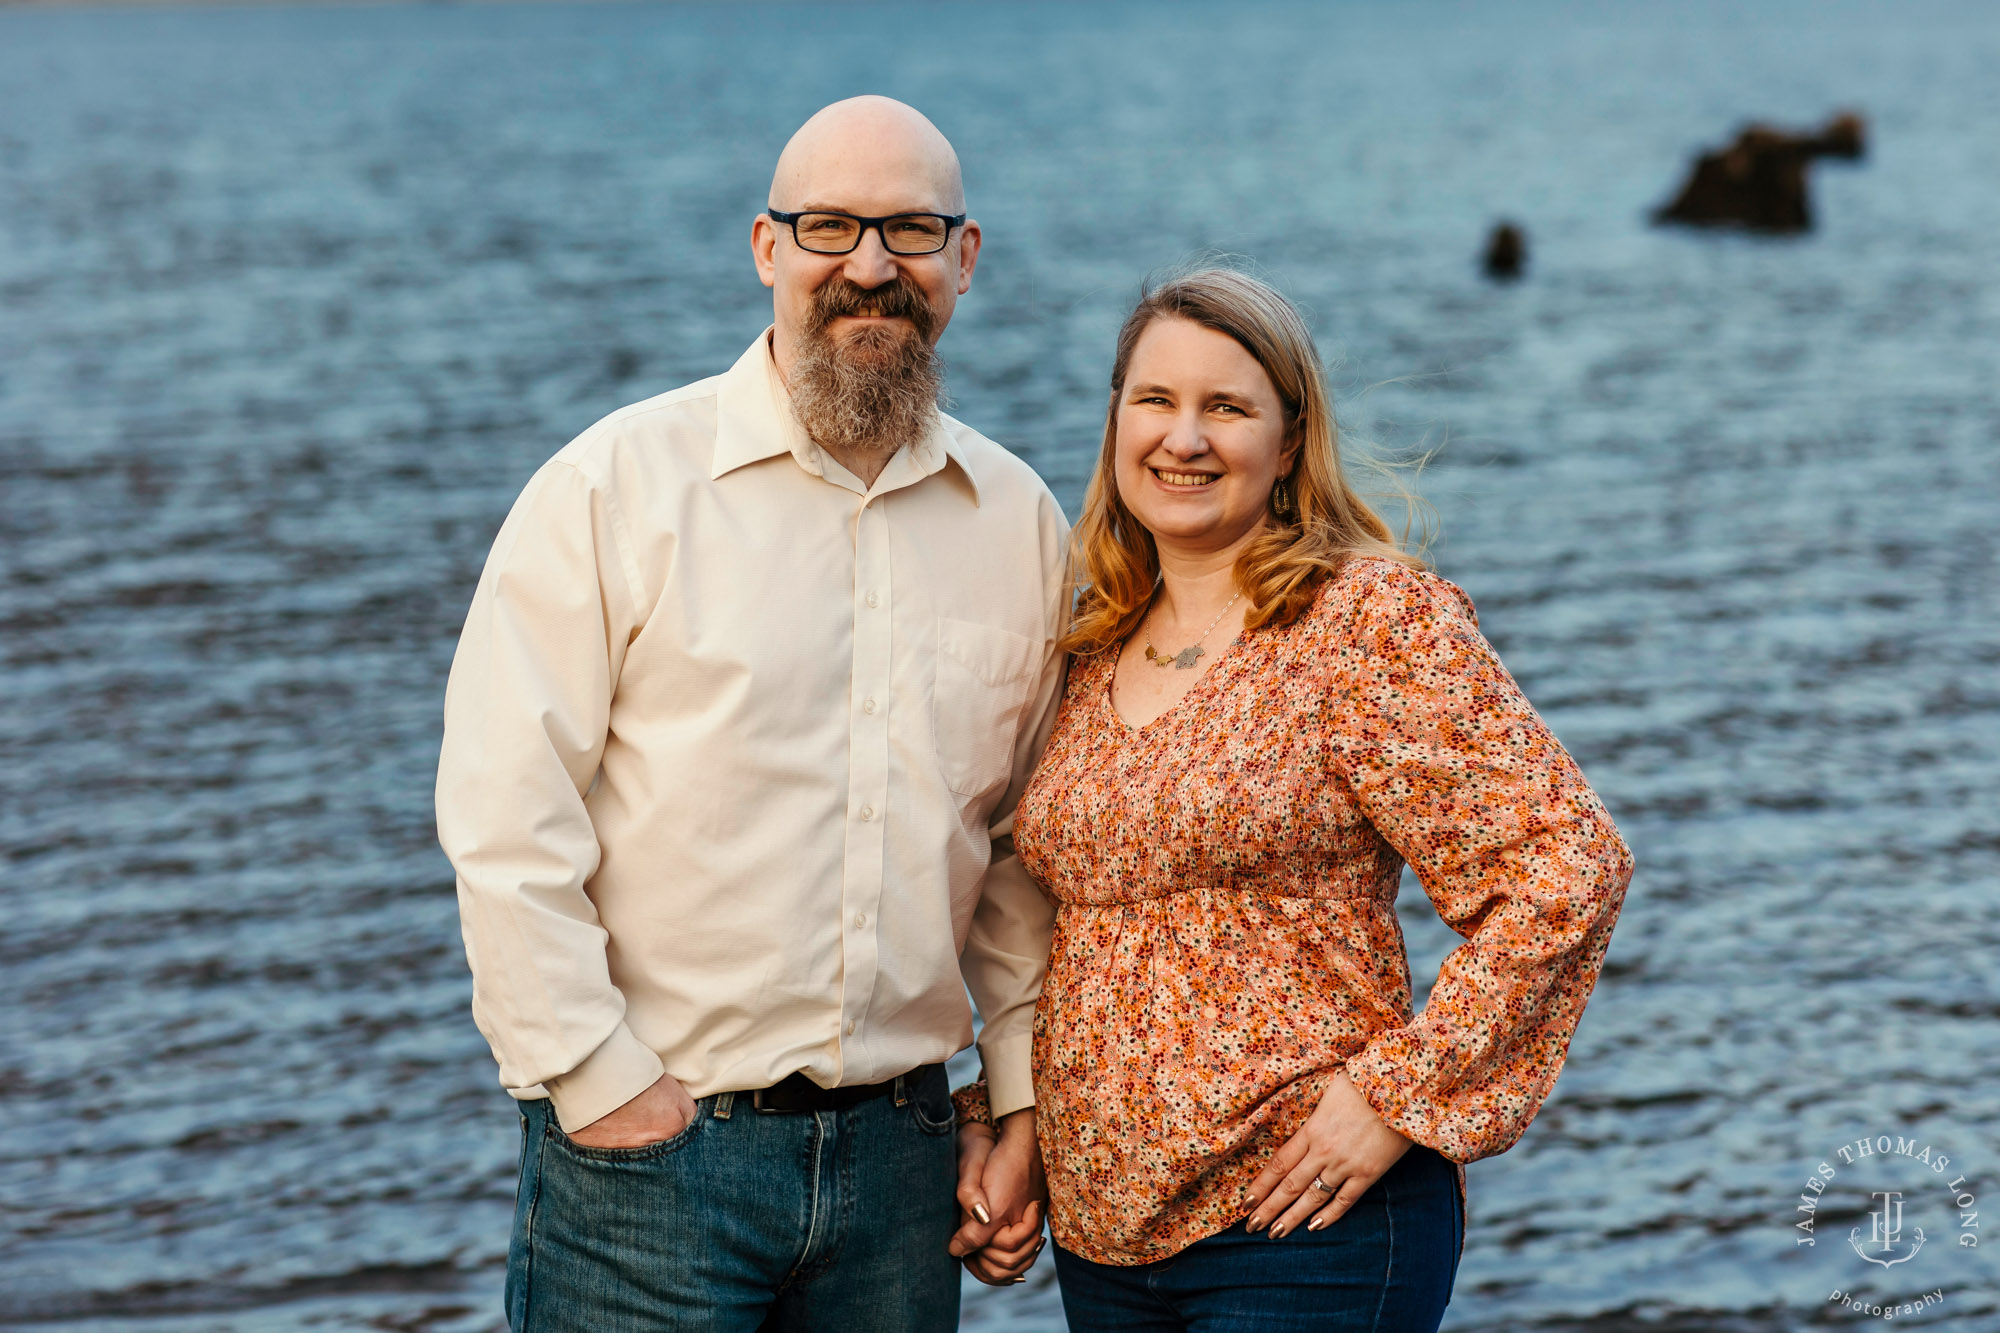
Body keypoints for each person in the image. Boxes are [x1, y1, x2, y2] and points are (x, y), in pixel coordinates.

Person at [435, 96, 1064, 1330]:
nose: (869, 267)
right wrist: (595, 1078)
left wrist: (1018, 1096)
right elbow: (505, 813)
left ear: (965, 258)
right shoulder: (614, 489)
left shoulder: (1018, 522)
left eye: (909, 231)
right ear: (767, 248)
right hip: (654, 1170)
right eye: (829, 227)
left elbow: (1011, 851)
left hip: (903, 1170)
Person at [951, 268, 1635, 1330]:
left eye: (1225, 407)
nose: (1183, 438)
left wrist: (1397, 1095)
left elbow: (1565, 863)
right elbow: (1053, 927)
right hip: (1103, 1239)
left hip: (1305, 1222)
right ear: (1114, 423)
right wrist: (1018, 1128)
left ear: (1286, 440)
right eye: (1155, 401)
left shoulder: (1361, 622)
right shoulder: (1083, 648)